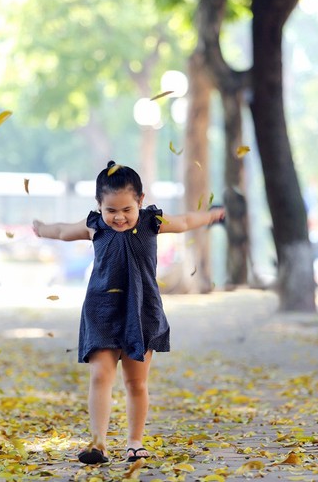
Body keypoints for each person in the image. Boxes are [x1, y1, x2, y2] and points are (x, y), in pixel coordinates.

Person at [32, 161, 225, 464]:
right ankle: (98, 444)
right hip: (101, 312)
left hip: (141, 311)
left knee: (136, 383)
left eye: (126, 209)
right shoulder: (94, 225)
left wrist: (211, 215)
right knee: (100, 376)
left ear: (140, 201)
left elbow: (186, 220)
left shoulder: (152, 221)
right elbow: (62, 230)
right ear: (99, 206)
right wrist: (43, 229)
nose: (119, 217)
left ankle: (134, 441)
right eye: (111, 210)